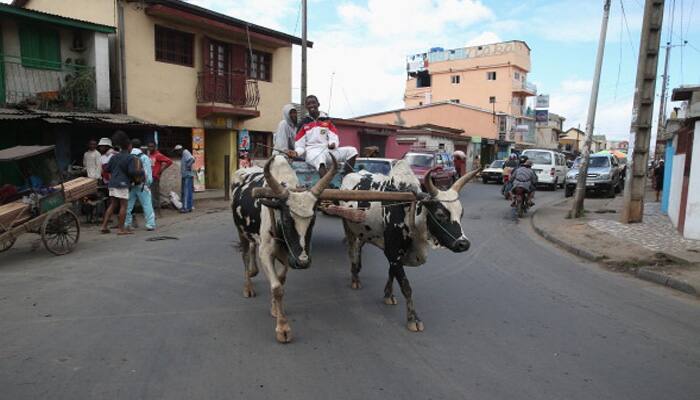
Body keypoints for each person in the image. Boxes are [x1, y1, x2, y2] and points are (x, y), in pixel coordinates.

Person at [295, 95, 358, 176]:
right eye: (308, 104)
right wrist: (296, 152)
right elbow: (300, 145)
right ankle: (326, 187)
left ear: (318, 104)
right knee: (320, 160)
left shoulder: (327, 120)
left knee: (352, 151)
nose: (311, 105)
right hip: (312, 152)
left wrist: (333, 144)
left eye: (313, 103)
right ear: (306, 107)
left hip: (328, 150)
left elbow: (334, 136)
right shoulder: (303, 123)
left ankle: (346, 177)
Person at [101, 131, 140, 235]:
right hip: (122, 183)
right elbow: (132, 172)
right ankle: (121, 229)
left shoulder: (114, 156)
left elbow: (107, 169)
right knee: (124, 205)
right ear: (129, 146)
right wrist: (140, 172)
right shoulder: (130, 157)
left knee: (113, 204)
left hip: (112, 183)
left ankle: (104, 226)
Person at [124, 139, 156, 231]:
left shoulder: (128, 157)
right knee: (147, 204)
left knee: (128, 205)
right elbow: (148, 173)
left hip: (130, 185)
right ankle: (150, 224)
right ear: (141, 146)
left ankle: (127, 224)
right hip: (142, 185)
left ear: (131, 146)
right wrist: (148, 184)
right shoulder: (144, 157)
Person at [147, 142, 173, 215]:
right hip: (149, 177)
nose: (150, 148)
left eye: (152, 146)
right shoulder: (149, 155)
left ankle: (157, 212)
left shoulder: (158, 155)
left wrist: (161, 170)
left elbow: (169, 161)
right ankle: (153, 211)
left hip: (155, 177)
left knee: (155, 195)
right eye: (149, 146)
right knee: (150, 195)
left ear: (155, 147)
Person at [174, 144, 195, 213]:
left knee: (185, 192)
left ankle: (185, 208)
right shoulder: (184, 154)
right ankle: (189, 207)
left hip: (187, 176)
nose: (177, 153)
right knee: (188, 192)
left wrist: (188, 166)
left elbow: (192, 159)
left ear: (179, 150)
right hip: (186, 175)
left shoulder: (185, 152)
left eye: (177, 151)